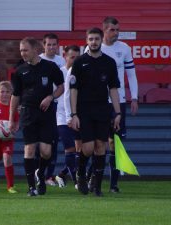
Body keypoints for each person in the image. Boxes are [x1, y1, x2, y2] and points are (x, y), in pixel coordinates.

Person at [9, 37, 64, 197]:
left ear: (35, 50)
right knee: (30, 148)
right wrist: (12, 118)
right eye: (21, 50)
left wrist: (50, 97)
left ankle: (40, 174)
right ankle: (31, 187)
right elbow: (15, 95)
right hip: (28, 113)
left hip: (46, 114)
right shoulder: (19, 70)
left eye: (25, 50)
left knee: (46, 152)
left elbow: (61, 87)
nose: (22, 53)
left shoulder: (50, 67)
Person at [70, 27, 121, 197]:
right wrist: (74, 114)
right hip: (84, 110)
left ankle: (97, 186)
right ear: (86, 40)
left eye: (96, 39)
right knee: (88, 147)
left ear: (101, 40)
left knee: (101, 146)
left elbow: (113, 89)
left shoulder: (109, 62)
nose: (93, 42)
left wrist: (117, 113)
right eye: (90, 39)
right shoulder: (79, 62)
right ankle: (81, 173)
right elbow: (73, 90)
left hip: (102, 110)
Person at [101, 16, 138, 193]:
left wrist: (135, 98)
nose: (115, 33)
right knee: (98, 143)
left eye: (117, 30)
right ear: (104, 30)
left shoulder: (124, 49)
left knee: (116, 144)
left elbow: (131, 75)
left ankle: (113, 184)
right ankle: (95, 181)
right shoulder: (94, 48)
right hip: (98, 103)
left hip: (119, 102)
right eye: (112, 30)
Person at [37, 33, 66, 186]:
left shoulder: (61, 61)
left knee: (54, 141)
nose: (52, 47)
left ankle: (49, 176)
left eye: (54, 44)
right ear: (44, 45)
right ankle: (38, 172)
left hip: (56, 105)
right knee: (39, 141)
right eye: (49, 44)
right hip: (40, 105)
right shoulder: (39, 60)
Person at [53, 45, 80, 188]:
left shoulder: (81, 72)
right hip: (62, 118)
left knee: (80, 151)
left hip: (77, 116)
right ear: (65, 56)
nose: (74, 61)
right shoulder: (59, 73)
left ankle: (62, 174)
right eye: (72, 57)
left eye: (77, 58)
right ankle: (77, 182)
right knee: (70, 149)